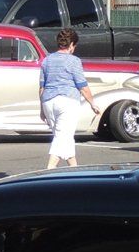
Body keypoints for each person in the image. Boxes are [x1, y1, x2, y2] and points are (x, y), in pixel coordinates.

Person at [40, 28, 99, 169]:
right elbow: (82, 86)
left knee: (64, 137)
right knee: (62, 138)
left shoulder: (47, 61)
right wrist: (92, 103)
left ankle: (75, 171)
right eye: (74, 46)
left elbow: (42, 87)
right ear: (71, 44)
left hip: (48, 101)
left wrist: (41, 109)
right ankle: (49, 170)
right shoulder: (74, 61)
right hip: (67, 101)